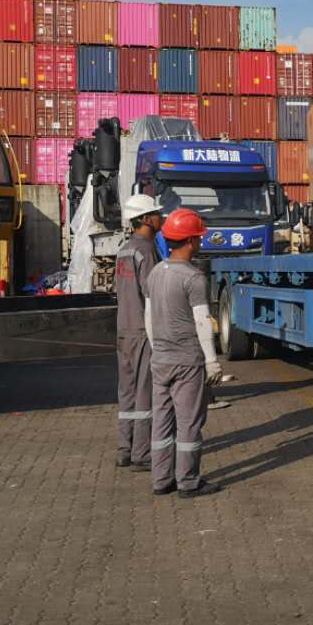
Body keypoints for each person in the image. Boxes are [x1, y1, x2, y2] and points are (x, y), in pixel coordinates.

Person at [145, 207, 224, 499]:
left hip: (160, 360)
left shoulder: (155, 273)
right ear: (190, 241)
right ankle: (188, 482)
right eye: (198, 237)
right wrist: (212, 361)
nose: (201, 242)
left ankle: (161, 479)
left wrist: (157, 351)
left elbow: (148, 317)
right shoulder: (194, 278)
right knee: (189, 423)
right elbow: (203, 322)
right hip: (187, 361)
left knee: (162, 421)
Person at [114, 194, 163, 470]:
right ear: (145, 219)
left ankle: (125, 448)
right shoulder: (146, 250)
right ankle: (142, 454)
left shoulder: (123, 249)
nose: (161, 217)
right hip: (143, 331)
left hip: (123, 329)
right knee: (145, 393)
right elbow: (153, 294)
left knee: (127, 392)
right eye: (156, 212)